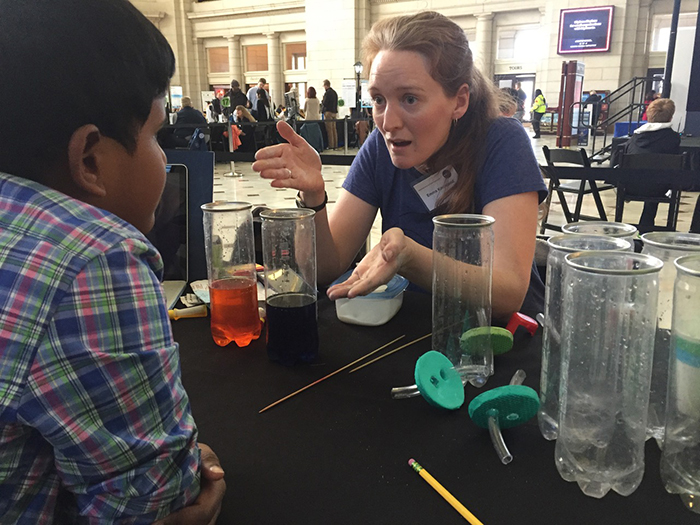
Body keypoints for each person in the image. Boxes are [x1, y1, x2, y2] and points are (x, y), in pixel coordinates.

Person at [0, 1, 226, 522]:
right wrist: (184, 471)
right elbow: (159, 505)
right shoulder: (95, 260)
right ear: (90, 159)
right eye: (156, 135)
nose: (165, 159)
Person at [253, 11, 547, 320]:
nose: (388, 123)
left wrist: (410, 258)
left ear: (459, 101)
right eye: (379, 100)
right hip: (417, 328)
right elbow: (326, 266)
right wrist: (313, 197)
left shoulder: (502, 142)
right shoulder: (380, 148)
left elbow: (508, 292)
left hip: (502, 339)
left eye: (409, 99)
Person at [622, 98, 681, 232]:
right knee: (657, 178)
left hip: (630, 186)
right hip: (659, 190)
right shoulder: (673, 138)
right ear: (671, 117)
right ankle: (647, 225)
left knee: (648, 177)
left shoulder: (635, 138)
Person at [321, 79, 339, 149]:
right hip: (334, 112)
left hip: (328, 113)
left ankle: (331, 145)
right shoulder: (334, 92)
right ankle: (335, 144)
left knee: (329, 130)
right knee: (334, 129)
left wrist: (323, 99)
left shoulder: (327, 93)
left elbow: (324, 103)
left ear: (326, 85)